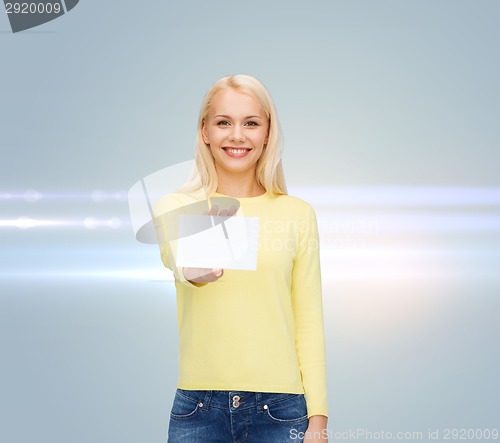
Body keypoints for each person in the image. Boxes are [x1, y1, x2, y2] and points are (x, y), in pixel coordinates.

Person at [154, 74, 329, 442]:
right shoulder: (178, 207)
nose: (237, 135)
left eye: (251, 123)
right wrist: (192, 270)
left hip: (281, 411)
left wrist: (318, 421)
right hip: (198, 410)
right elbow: (174, 257)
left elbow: (308, 322)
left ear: (268, 132)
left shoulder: (296, 214)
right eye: (223, 123)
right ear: (205, 131)